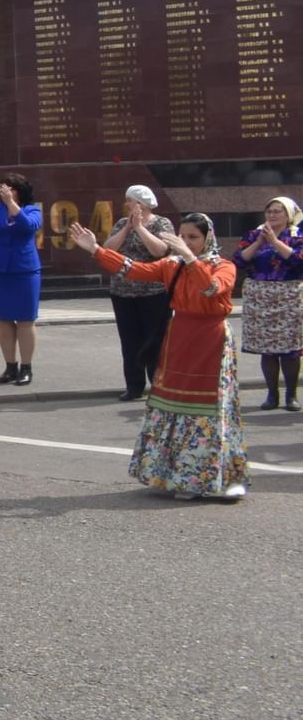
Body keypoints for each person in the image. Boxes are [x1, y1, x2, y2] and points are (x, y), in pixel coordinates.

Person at [70, 214, 248, 501]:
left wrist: (190, 257)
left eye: (193, 237)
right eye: (183, 236)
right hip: (179, 338)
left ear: (207, 239)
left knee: (208, 408)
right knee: (174, 405)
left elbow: (210, 289)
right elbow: (133, 269)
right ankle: (175, 476)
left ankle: (209, 479)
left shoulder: (223, 266)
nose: (185, 241)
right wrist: (96, 249)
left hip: (211, 342)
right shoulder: (170, 265)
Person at [102, 188, 175, 402]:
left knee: (155, 340)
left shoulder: (161, 224)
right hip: (123, 293)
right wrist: (127, 228)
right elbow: (108, 250)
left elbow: (159, 251)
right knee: (130, 341)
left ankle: (158, 384)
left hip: (153, 293)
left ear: (141, 204)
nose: (126, 204)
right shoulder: (121, 223)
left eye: (129, 200)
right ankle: (134, 385)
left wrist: (140, 227)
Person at [235, 196, 303, 411]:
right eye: (269, 211)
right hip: (260, 296)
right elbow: (239, 260)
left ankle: (291, 395)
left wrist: (275, 242)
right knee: (268, 350)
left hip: (289, 295)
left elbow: (298, 262)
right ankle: (271, 394)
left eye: (278, 211)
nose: (272, 215)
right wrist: (260, 243)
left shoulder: (297, 236)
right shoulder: (254, 234)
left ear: (289, 215)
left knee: (290, 349)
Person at [0, 174, 43, 386]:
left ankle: (26, 367)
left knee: (25, 320)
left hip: (24, 271)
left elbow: (27, 226)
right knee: (3, 320)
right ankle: (10, 366)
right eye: (4, 188)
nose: (6, 191)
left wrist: (11, 203)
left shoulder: (32, 210)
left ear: (19, 192)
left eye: (11, 188)